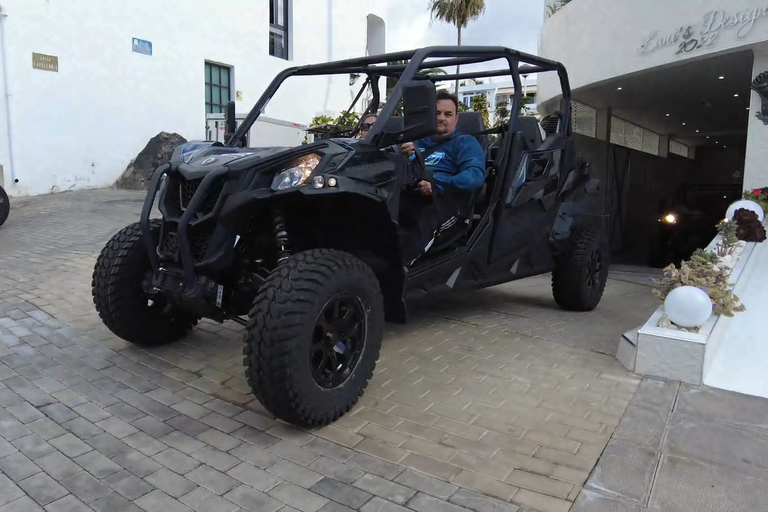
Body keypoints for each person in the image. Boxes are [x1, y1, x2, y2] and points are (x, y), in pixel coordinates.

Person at [398, 90, 486, 265]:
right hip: (411, 198)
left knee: (421, 225)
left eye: (448, 114)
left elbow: (474, 177)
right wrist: (401, 158)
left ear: (456, 119)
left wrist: (436, 184)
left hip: (446, 204)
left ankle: (400, 269)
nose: (441, 118)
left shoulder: (465, 143)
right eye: (437, 113)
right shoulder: (415, 144)